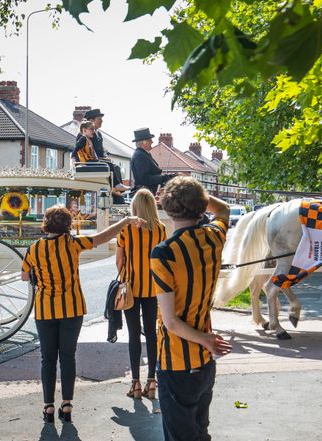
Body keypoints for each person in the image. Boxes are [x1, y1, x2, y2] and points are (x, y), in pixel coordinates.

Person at [20, 205, 144, 423]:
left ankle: (48, 407)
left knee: (47, 358)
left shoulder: (33, 249)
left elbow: (24, 276)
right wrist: (126, 221)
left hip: (45, 310)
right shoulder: (73, 244)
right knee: (67, 356)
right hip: (72, 308)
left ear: (46, 224)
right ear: (68, 225)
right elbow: (103, 237)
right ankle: (66, 405)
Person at [150, 176, 232, 441]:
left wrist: (206, 339)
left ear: (165, 207)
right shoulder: (215, 236)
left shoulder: (164, 253)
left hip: (176, 361)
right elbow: (223, 210)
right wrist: (201, 198)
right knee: (200, 433)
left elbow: (171, 322)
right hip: (205, 362)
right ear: (202, 205)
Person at [116, 188, 167, 399]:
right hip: (152, 288)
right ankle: (152, 381)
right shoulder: (161, 229)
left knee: (134, 334)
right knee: (152, 334)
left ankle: (135, 383)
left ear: (135, 207)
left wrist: (124, 275)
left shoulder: (126, 229)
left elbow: (119, 261)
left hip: (131, 287)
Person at [84, 108, 129, 204]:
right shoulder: (86, 134)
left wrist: (104, 156)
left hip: (99, 160)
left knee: (116, 167)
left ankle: (116, 188)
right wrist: (100, 158)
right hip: (89, 161)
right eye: (99, 119)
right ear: (91, 120)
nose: (101, 121)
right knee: (108, 165)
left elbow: (101, 150)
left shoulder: (98, 134)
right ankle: (115, 187)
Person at [130, 127, 176, 195]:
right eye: (150, 140)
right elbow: (145, 179)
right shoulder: (140, 156)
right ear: (144, 142)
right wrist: (166, 177)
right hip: (146, 194)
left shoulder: (144, 154)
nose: (152, 142)